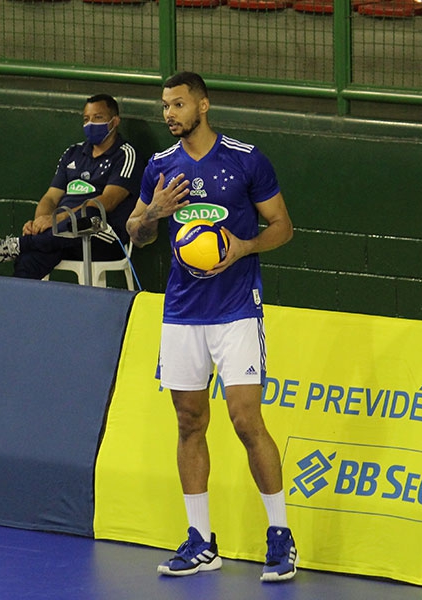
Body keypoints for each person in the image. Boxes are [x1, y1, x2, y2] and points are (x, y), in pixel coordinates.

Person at [126, 72, 297, 582]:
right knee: (188, 422)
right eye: (164, 106)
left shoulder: (246, 159)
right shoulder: (160, 166)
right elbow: (136, 231)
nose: (169, 114)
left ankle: (281, 535)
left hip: (236, 309)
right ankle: (201, 540)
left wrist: (243, 247)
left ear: (203, 105)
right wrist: (152, 212)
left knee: (246, 421)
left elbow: (283, 227)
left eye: (178, 104)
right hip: (181, 310)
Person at [0, 94, 142, 280]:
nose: (90, 124)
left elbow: (108, 201)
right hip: (59, 237)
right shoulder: (73, 153)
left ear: (115, 121)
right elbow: (50, 198)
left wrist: (59, 219)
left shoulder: (126, 155)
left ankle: (21, 243)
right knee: (30, 257)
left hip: (101, 237)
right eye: (86, 119)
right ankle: (20, 302)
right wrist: (40, 223)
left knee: (88, 213)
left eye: (98, 118)